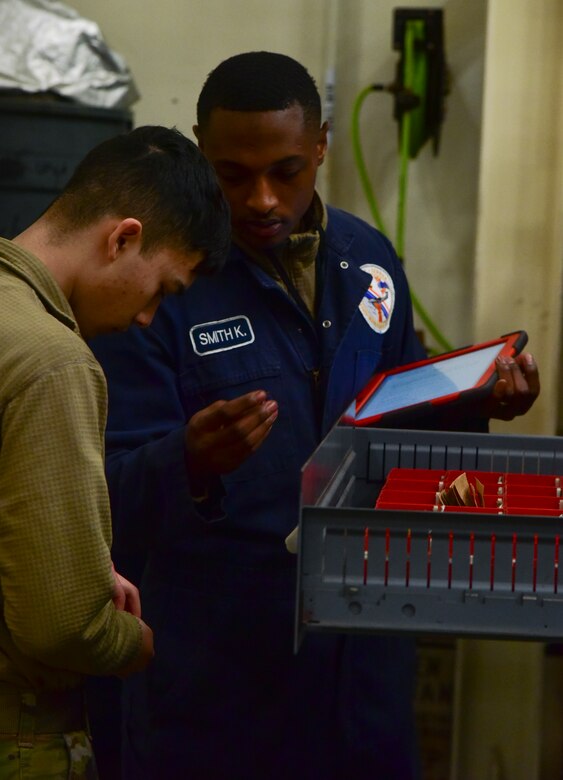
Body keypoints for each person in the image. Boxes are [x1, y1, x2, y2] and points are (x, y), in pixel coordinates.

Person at [90, 53, 540, 780]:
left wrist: (475, 402)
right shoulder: (158, 277)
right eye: (231, 176)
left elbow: (398, 428)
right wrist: (190, 461)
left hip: (362, 662)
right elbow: (101, 495)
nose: (262, 199)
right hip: (217, 681)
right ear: (200, 149)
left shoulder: (367, 260)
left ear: (323, 145)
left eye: (288, 171)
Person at [0, 124, 231, 779]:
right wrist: (133, 643)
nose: (147, 319)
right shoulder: (53, 361)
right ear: (123, 237)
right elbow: (59, 626)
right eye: (161, 289)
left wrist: (70, 558)